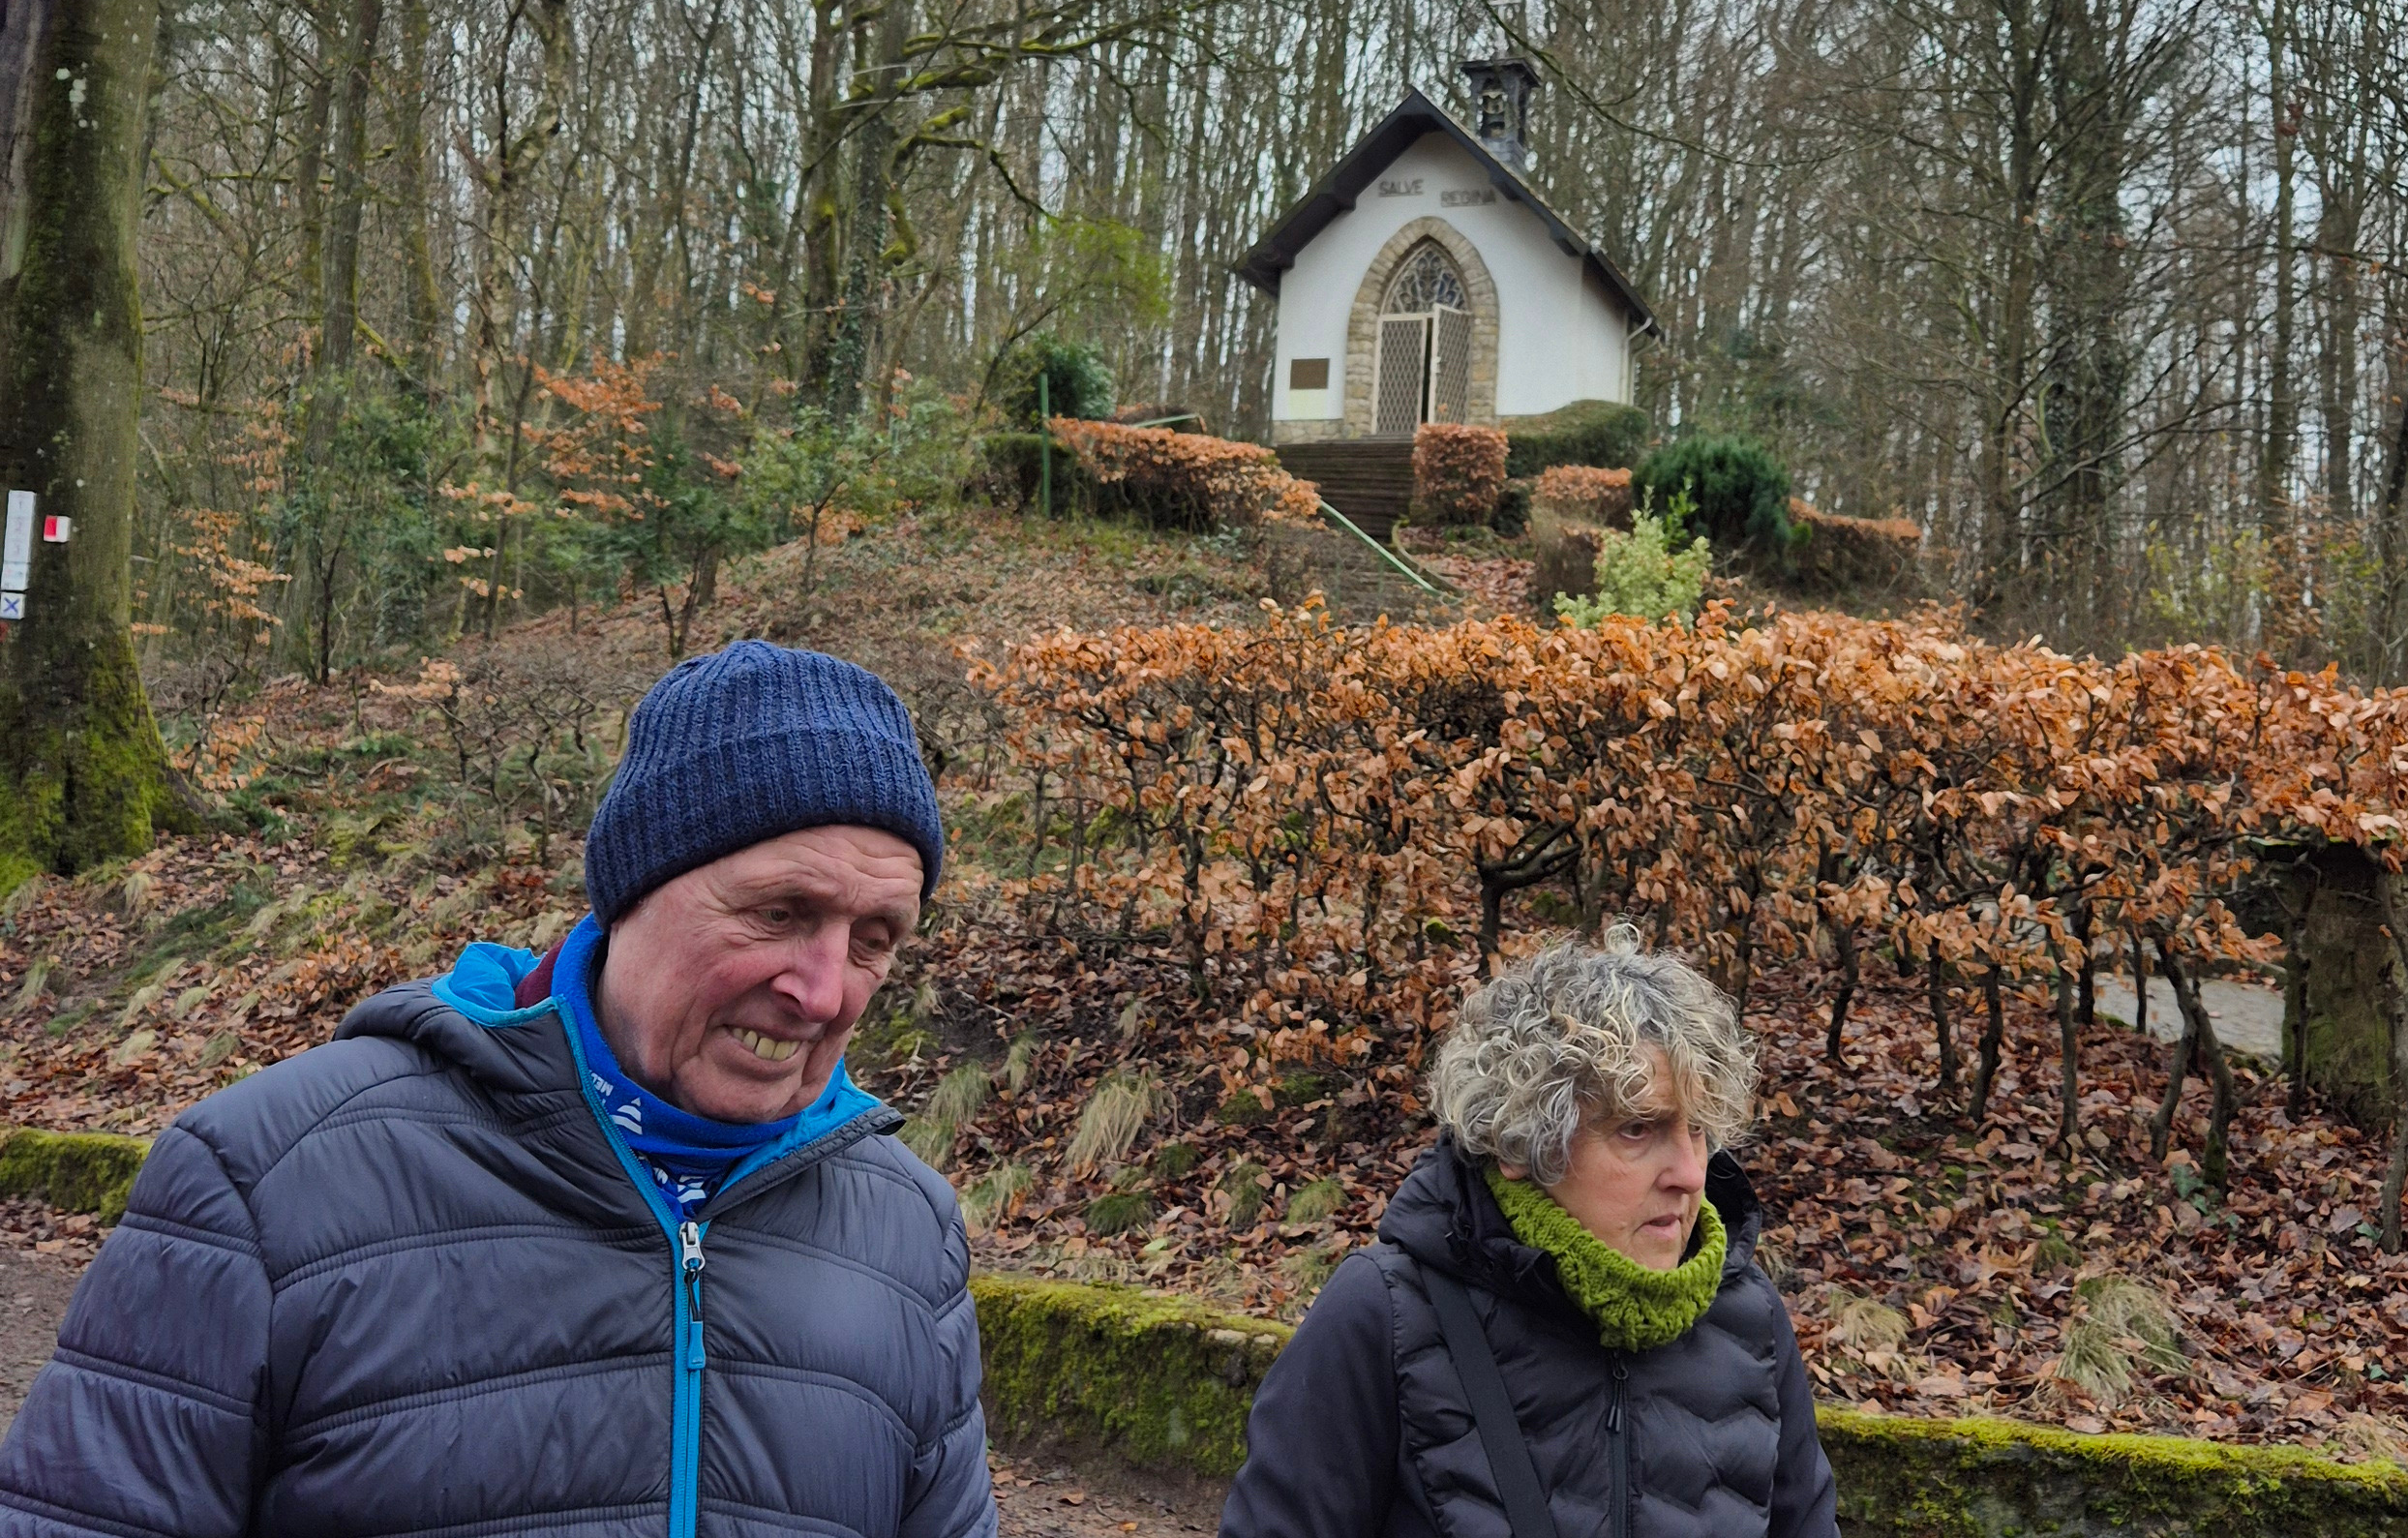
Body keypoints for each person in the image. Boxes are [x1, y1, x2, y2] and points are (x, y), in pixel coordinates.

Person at [0, 641, 995, 1538]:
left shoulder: (906, 1233)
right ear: (633, 891)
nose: (823, 990)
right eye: (780, 911)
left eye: (875, 939)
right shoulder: (265, 1180)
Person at [1219, 930, 1837, 1538]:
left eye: (1698, 1129)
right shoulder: (1383, 1319)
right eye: (1636, 1130)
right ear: (1522, 1139)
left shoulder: (1750, 1320)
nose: (1689, 1172)